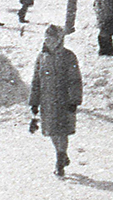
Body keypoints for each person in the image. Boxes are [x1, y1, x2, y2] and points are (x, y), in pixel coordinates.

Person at [29, 25, 83, 177]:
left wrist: (74, 100)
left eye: (52, 39)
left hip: (63, 100)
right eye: (47, 39)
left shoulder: (68, 56)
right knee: (51, 131)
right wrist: (34, 102)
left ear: (59, 40)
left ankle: (59, 160)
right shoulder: (41, 57)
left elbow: (75, 80)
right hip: (47, 100)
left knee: (62, 131)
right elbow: (36, 81)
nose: (49, 42)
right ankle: (61, 153)